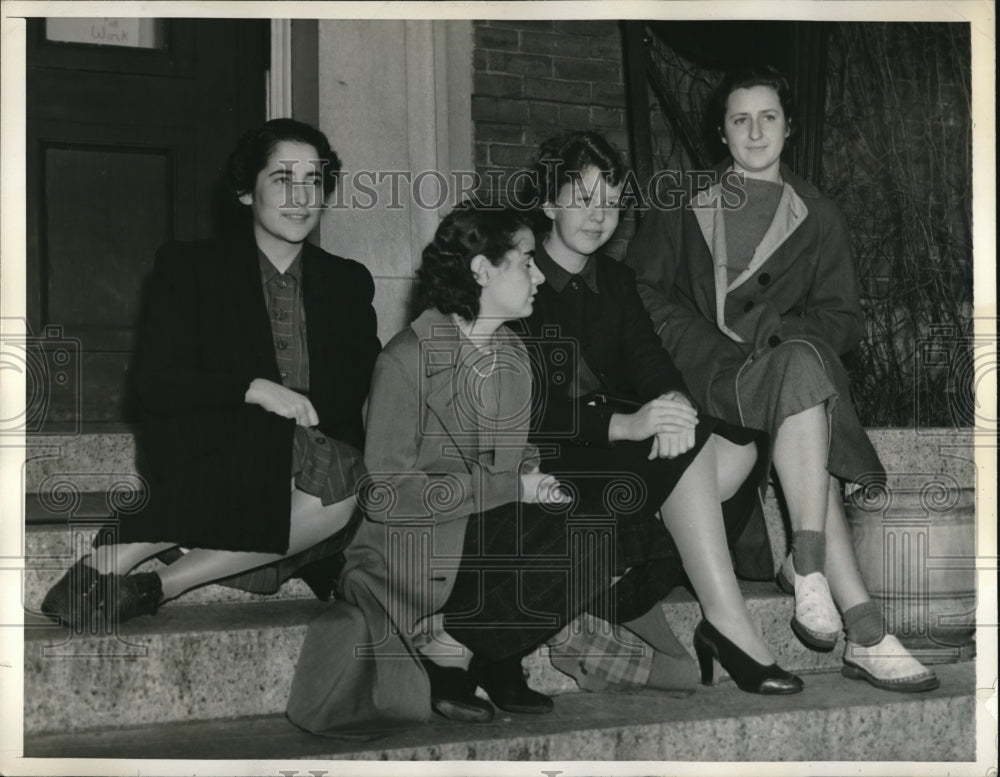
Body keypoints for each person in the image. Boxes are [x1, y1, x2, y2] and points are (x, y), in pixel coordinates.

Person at [288, 203, 691, 734]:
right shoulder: (405, 360)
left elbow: (518, 454)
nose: (539, 274)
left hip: (488, 532)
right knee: (586, 535)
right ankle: (469, 648)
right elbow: (387, 494)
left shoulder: (516, 356)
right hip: (422, 546)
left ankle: (487, 643)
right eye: (526, 260)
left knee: (640, 533)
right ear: (481, 270)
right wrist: (510, 486)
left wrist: (537, 481)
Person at [626, 65, 938, 692]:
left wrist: (774, 328)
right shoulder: (680, 201)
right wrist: (696, 342)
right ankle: (853, 614)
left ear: (788, 127)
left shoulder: (818, 214)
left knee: (801, 367)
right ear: (722, 131)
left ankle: (830, 589)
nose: (755, 130)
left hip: (780, 369)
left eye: (768, 117)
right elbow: (641, 291)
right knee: (807, 386)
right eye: (740, 119)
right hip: (704, 373)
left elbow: (844, 321)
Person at [41, 119, 380, 627]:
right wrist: (251, 389)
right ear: (246, 191)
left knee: (341, 483)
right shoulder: (190, 266)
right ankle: (141, 546)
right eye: (283, 179)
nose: (301, 197)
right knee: (323, 484)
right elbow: (153, 387)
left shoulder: (348, 281)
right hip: (211, 451)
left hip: (304, 471)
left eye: (314, 180)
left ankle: (148, 582)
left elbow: (360, 392)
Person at [516, 130, 803, 696]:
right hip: (553, 454)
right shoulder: (518, 280)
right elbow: (524, 410)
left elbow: (650, 360)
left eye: (612, 200)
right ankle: (729, 621)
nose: (601, 216)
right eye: (584, 199)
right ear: (549, 203)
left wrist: (671, 403)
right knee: (690, 453)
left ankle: (668, 531)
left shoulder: (617, 280)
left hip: (626, 448)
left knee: (741, 441)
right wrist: (624, 425)